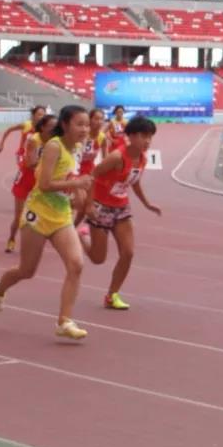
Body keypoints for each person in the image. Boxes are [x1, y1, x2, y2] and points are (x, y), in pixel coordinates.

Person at [0, 106, 91, 341]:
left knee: (76, 264)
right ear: (65, 125)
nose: (85, 129)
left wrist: (78, 194)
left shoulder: (78, 147)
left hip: (61, 215)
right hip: (38, 214)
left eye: (87, 125)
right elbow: (44, 185)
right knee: (27, 270)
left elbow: (70, 176)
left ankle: (64, 322)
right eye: (79, 124)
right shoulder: (54, 146)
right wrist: (76, 185)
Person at [82, 115, 161, 310]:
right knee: (98, 259)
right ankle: (82, 236)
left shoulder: (142, 159)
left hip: (122, 208)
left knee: (128, 253)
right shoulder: (116, 157)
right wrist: (89, 205)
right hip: (101, 207)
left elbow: (134, 182)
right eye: (143, 136)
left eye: (150, 136)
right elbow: (92, 175)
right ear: (131, 136)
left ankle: (112, 295)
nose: (147, 141)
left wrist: (147, 203)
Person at [5, 114, 57, 253]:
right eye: (51, 126)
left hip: (41, 179)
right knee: (19, 215)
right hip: (26, 178)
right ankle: (11, 238)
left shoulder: (56, 141)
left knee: (43, 213)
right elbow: (29, 163)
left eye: (55, 126)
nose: (53, 129)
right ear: (43, 127)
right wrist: (47, 162)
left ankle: (37, 241)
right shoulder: (34, 140)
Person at [73, 107, 107, 229]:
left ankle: (72, 228)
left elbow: (105, 159)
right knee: (78, 201)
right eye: (96, 119)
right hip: (75, 169)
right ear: (90, 120)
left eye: (101, 119)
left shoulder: (102, 137)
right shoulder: (82, 134)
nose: (99, 122)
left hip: (89, 172)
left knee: (85, 206)